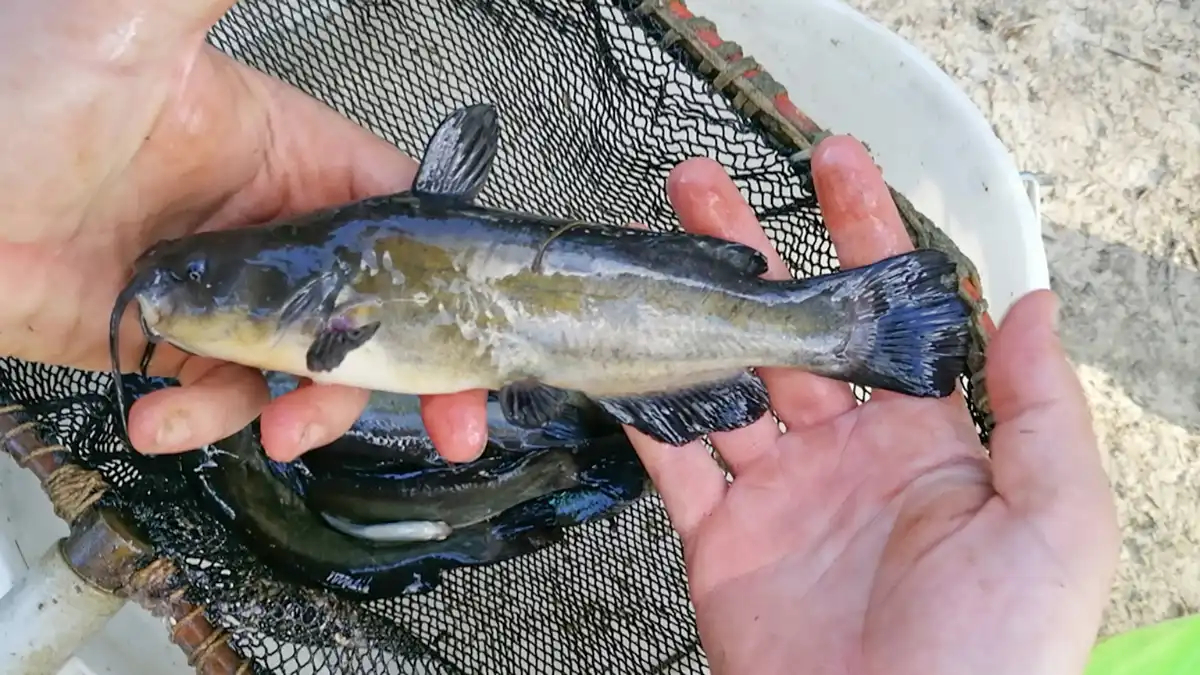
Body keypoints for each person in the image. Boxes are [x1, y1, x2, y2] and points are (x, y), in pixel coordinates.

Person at [0, 2, 1120, 674]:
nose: (164, 290)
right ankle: (831, 326)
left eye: (194, 283)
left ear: (306, 301)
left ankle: (837, 326)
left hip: (641, 320)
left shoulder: (332, 295)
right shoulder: (324, 291)